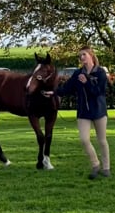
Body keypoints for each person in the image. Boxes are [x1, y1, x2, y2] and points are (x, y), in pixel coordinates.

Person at [47, 46, 110, 179]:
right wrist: (53, 92)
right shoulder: (77, 73)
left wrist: (87, 82)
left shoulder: (100, 72)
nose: (81, 58)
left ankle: (106, 168)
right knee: (84, 139)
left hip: (99, 111)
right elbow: (67, 89)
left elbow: (99, 92)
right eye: (79, 56)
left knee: (102, 141)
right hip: (83, 112)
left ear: (91, 56)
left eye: (84, 55)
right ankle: (95, 165)